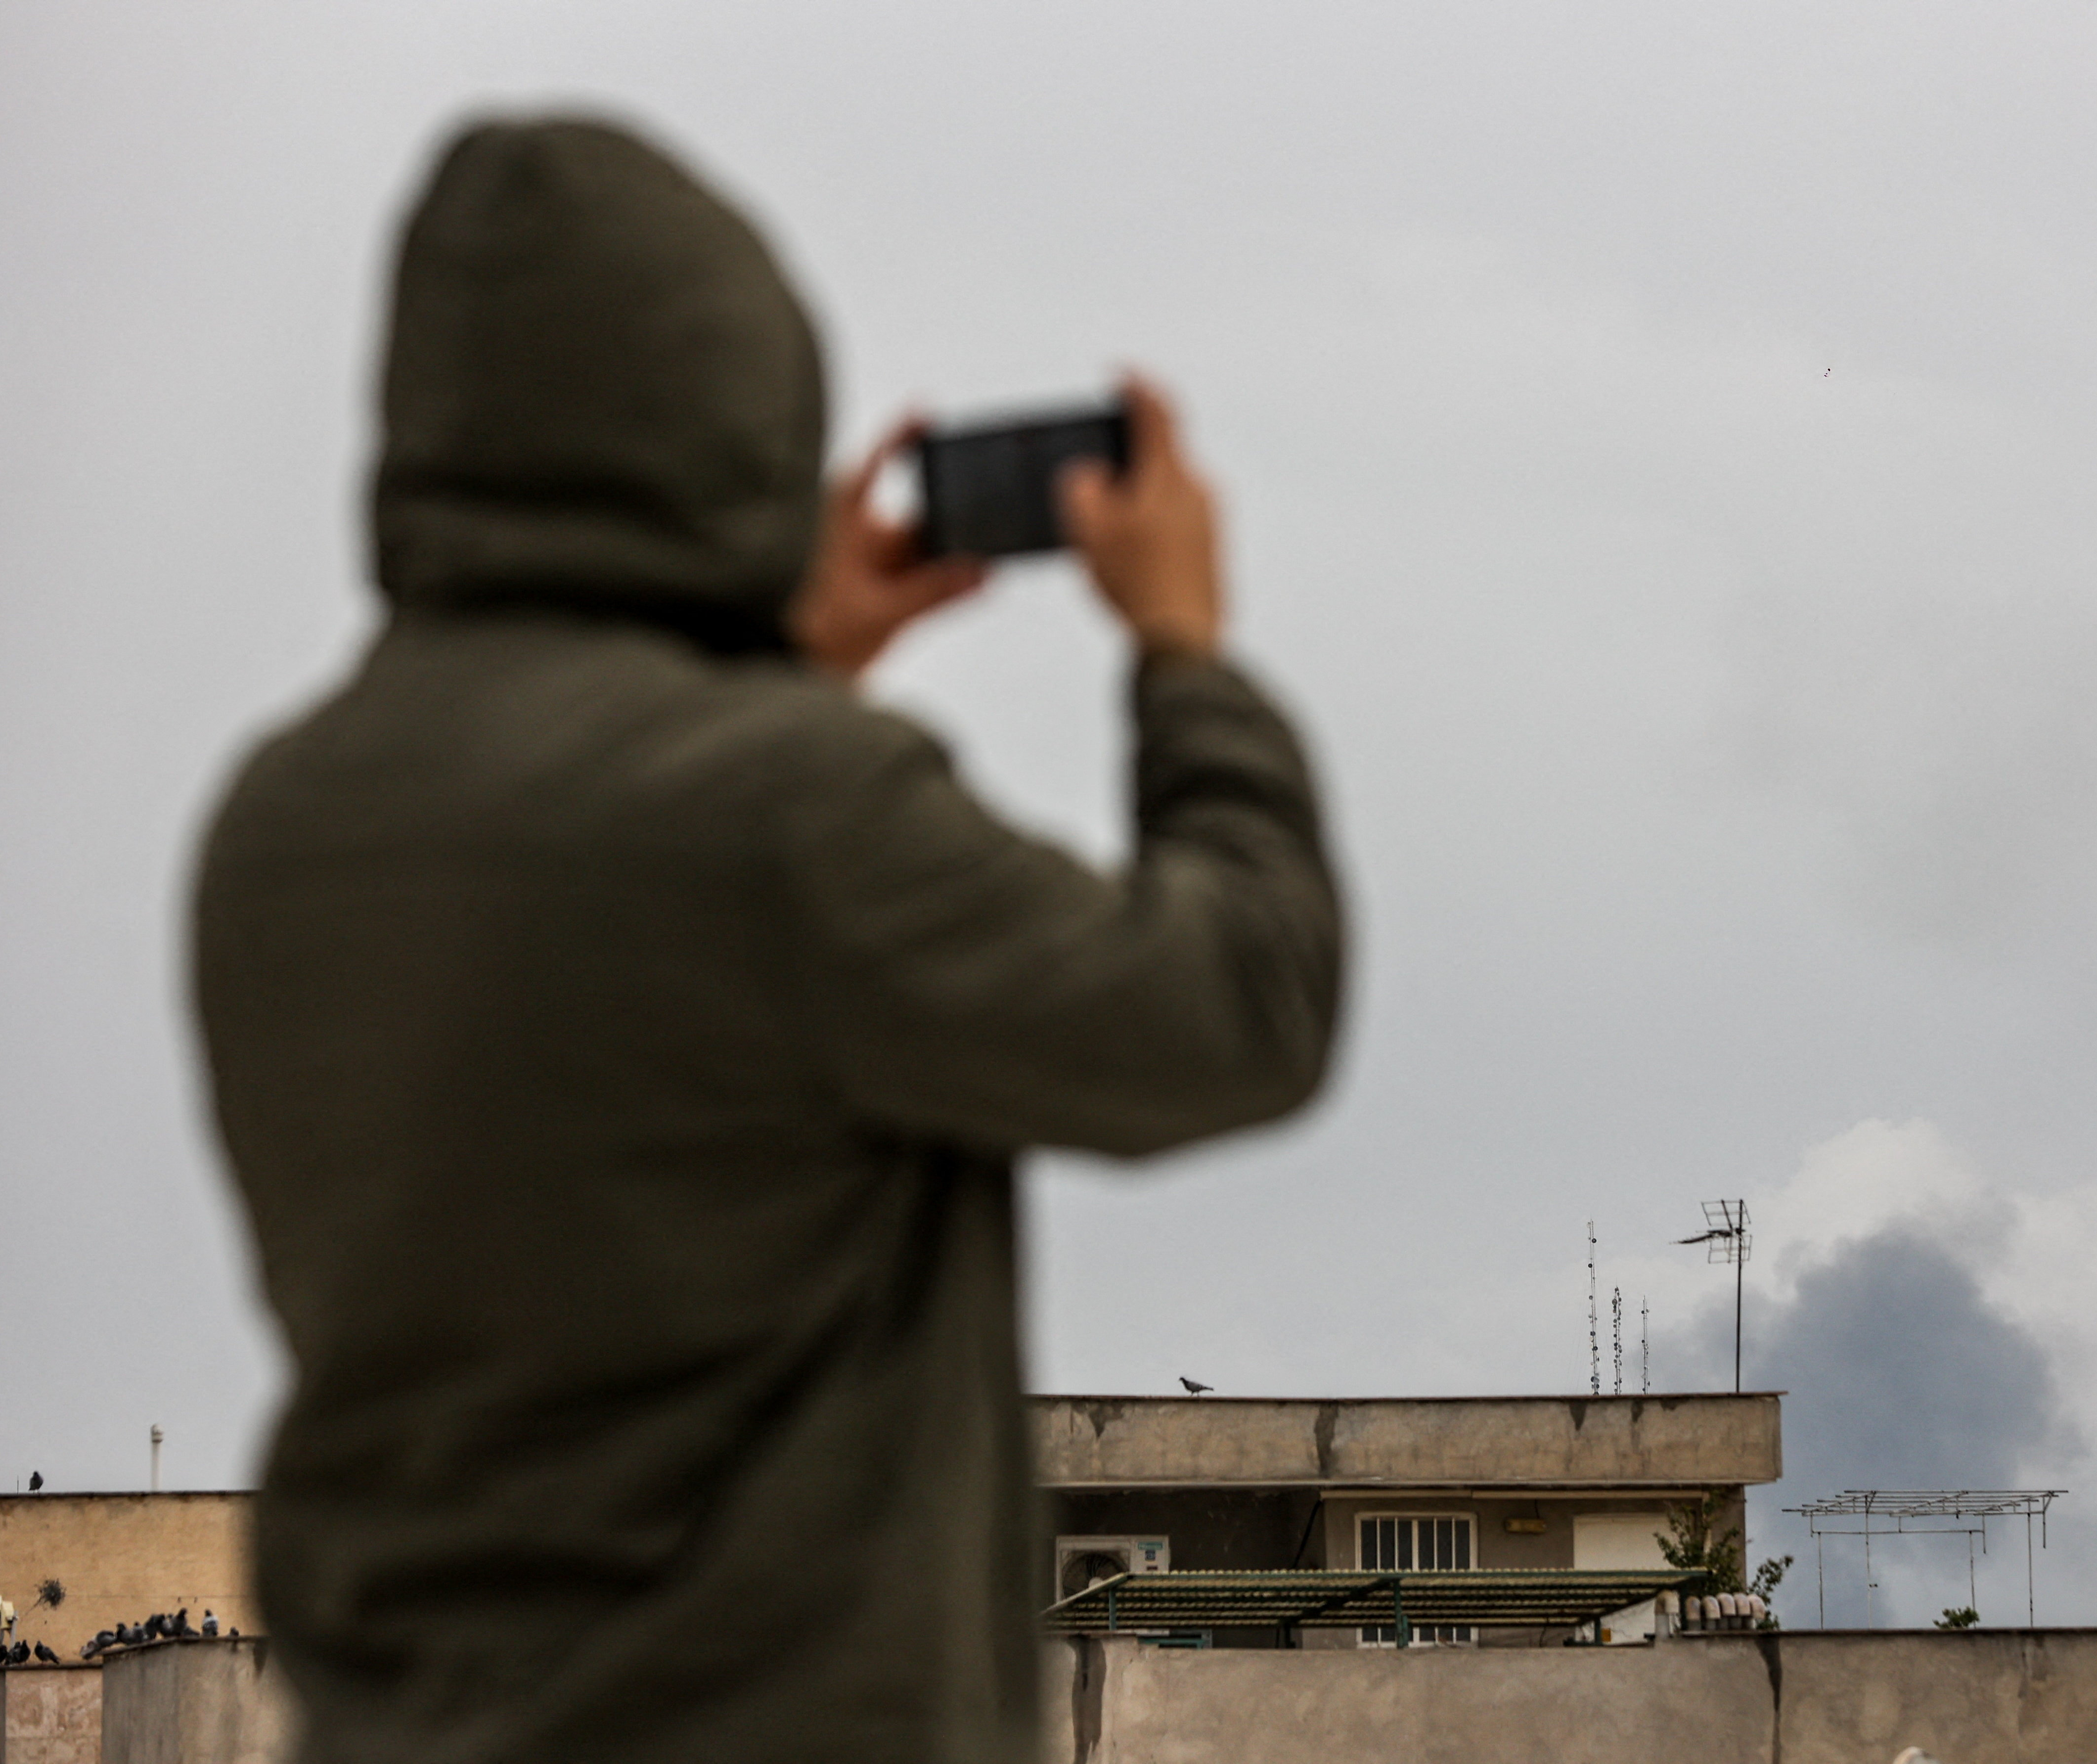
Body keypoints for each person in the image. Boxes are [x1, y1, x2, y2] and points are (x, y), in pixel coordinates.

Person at [189, 116, 1343, 1764]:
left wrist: (777, 682)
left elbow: (615, 1002)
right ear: (738, 418)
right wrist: (1184, 656)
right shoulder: (789, 816)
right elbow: (1245, 1006)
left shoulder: (280, 826)